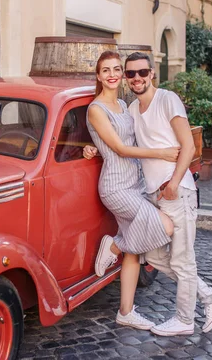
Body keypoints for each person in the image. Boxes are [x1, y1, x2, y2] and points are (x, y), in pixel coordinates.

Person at [88, 52, 212, 336]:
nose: (135, 78)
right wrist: (88, 148)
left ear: (152, 73)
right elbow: (116, 143)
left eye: (141, 72)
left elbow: (187, 146)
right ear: (102, 76)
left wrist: (175, 182)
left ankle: (185, 320)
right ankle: (209, 296)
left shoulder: (166, 99)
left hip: (175, 190)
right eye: (130, 74)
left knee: (182, 259)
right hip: (146, 191)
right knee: (154, 256)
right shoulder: (132, 109)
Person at [85, 50, 178, 331]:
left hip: (135, 183)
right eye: (106, 70)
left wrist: (89, 148)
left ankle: (125, 311)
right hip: (115, 186)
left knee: (134, 254)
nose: (112, 74)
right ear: (99, 76)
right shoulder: (95, 109)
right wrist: (161, 153)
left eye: (116, 69)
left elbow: (116, 141)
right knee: (166, 225)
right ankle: (114, 244)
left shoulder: (125, 106)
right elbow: (121, 148)